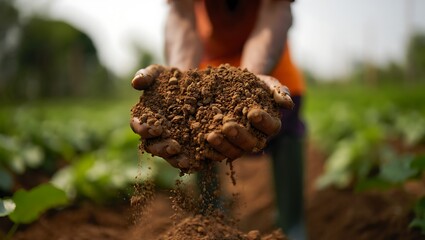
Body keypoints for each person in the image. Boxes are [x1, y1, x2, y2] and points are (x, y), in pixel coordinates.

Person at [130, 0, 306, 239]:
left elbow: (275, 9)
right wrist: (180, 80)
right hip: (208, 66)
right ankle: (210, 219)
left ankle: (292, 224)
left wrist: (249, 80)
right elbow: (182, 14)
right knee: (200, 137)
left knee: (286, 128)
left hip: (267, 62)